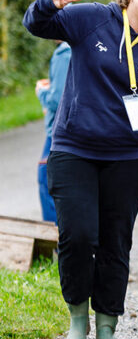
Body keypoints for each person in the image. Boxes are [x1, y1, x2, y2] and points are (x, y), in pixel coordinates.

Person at [23, 0, 138, 339]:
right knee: (77, 236)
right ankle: (78, 319)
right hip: (74, 150)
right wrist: (50, 2)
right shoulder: (92, 19)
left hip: (129, 158)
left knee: (116, 243)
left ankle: (107, 328)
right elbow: (36, 24)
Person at [35, 40, 71, 223]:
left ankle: (53, 235)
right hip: (76, 130)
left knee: (46, 179)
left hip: (57, 131)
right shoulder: (82, 46)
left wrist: (41, 92)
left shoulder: (63, 53)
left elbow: (57, 100)